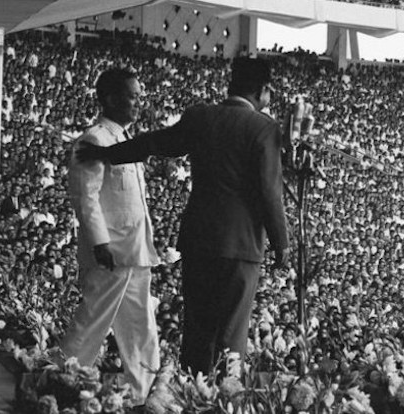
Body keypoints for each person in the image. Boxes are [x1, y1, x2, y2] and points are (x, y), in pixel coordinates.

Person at [78, 57, 290, 376]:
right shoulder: (264, 127)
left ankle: (192, 394)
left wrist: (107, 154)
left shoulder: (200, 116)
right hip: (241, 246)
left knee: (197, 329)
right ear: (263, 91)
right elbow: (270, 191)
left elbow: (155, 143)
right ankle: (220, 403)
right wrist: (281, 243)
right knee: (231, 334)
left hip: (199, 242)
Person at [60, 68, 160, 409]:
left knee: (141, 328)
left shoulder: (125, 140)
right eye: (132, 96)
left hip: (135, 250)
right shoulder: (95, 139)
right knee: (91, 322)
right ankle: (61, 383)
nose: (138, 103)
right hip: (111, 252)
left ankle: (141, 395)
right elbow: (85, 196)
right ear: (111, 99)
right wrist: (99, 243)